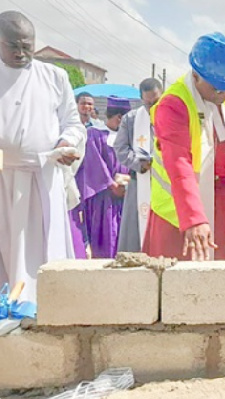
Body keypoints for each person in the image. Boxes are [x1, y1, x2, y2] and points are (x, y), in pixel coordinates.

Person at [0, 11, 85, 302]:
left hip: (44, 176)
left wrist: (66, 142)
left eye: (28, 45)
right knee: (8, 250)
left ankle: (44, 307)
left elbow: (73, 123)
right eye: (14, 46)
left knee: (43, 253)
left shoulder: (55, 76)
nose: (22, 52)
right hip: (3, 177)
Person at [143, 32, 225, 261]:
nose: (224, 94)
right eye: (217, 89)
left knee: (220, 281)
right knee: (180, 284)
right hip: (180, 212)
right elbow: (178, 163)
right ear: (196, 76)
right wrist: (194, 218)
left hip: (223, 204)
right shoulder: (173, 105)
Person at [74, 97, 131, 258]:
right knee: (106, 238)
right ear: (120, 117)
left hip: (126, 195)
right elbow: (94, 164)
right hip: (103, 197)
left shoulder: (130, 138)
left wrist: (128, 181)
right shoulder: (95, 135)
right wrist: (111, 184)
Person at [114, 78, 163, 252]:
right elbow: (120, 148)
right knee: (135, 230)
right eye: (148, 102)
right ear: (142, 99)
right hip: (140, 179)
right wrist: (139, 164)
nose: (152, 106)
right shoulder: (131, 119)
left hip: (165, 183)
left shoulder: (171, 116)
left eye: (155, 101)